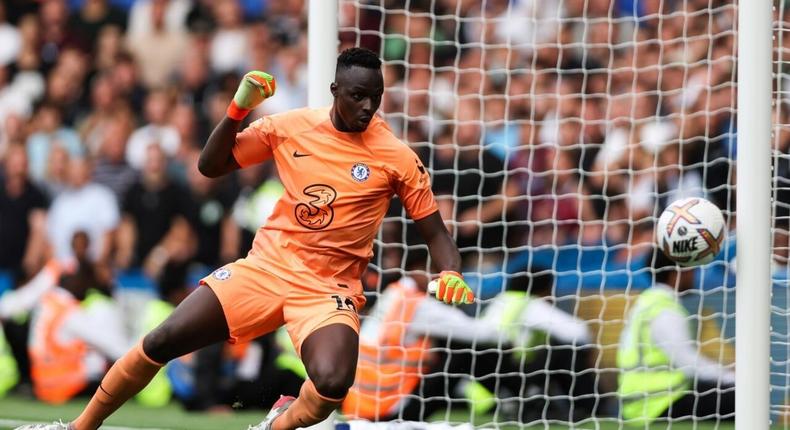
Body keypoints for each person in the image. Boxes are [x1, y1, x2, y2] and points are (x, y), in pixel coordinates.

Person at [17, 47, 475, 430]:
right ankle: (77, 428)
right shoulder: (290, 127)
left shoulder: (396, 156)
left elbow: (433, 230)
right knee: (161, 340)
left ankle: (273, 425)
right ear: (335, 91)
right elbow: (210, 167)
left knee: (334, 383)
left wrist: (450, 270)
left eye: (375, 97)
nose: (367, 107)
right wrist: (237, 109)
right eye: (357, 96)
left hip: (328, 290)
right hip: (265, 269)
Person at [616, 248, 735, 425]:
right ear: (676, 273)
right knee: (741, 397)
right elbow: (688, 363)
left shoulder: (646, 302)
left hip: (640, 401)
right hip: (659, 403)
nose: (694, 274)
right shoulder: (666, 310)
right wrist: (732, 376)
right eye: (690, 268)